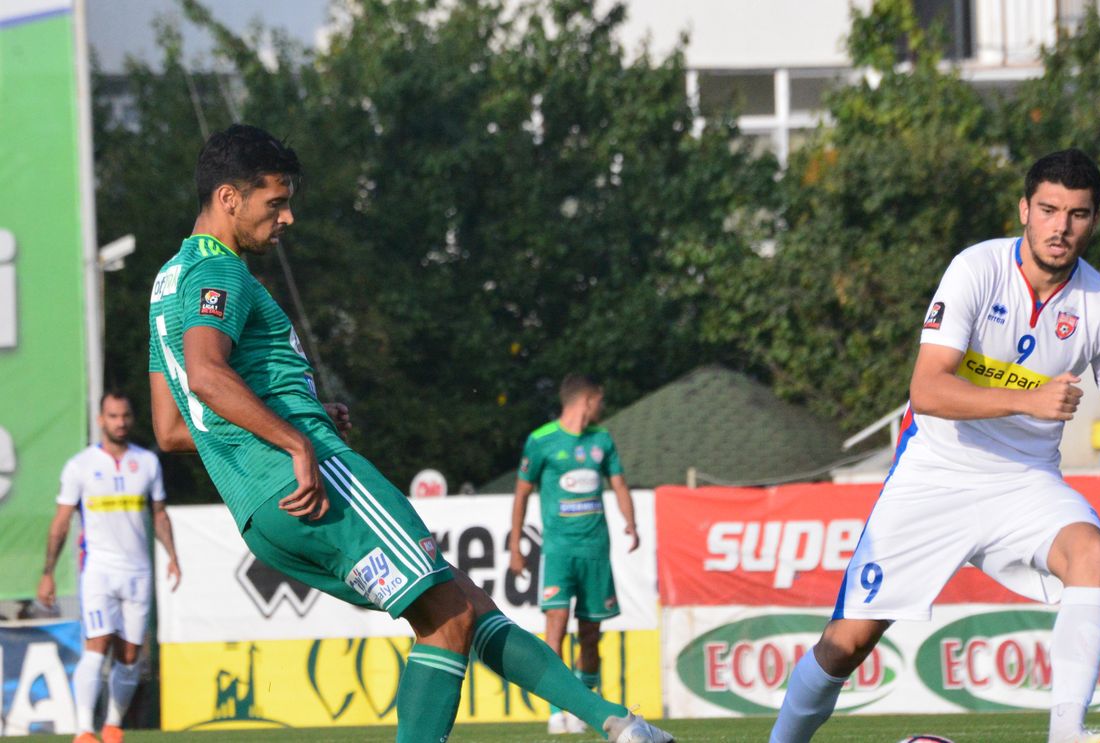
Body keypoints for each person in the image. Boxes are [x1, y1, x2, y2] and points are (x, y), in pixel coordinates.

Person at [146, 124, 670, 743]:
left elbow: (175, 428)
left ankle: (616, 723)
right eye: (275, 202)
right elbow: (207, 375)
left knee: (464, 603)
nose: (287, 219)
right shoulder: (222, 272)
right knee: (450, 617)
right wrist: (298, 440)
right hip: (312, 481)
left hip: (261, 513)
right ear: (229, 198)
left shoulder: (166, 283)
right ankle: (616, 725)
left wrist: (304, 414)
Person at [769, 149, 1100, 743]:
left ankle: (1067, 735)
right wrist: (1029, 399)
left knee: (1093, 553)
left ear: (1094, 221)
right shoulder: (977, 268)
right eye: (1048, 209)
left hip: (1024, 479)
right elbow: (928, 388)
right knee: (846, 645)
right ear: (1024, 209)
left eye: (1077, 214)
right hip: (936, 469)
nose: (1060, 226)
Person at [36, 392, 181, 743]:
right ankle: (84, 730)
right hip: (98, 571)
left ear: (131, 418)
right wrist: (48, 571)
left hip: (139, 573)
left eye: (125, 415)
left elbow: (159, 514)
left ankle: (112, 725)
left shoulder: (147, 462)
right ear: (101, 420)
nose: (120, 422)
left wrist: (174, 556)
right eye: (113, 416)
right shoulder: (80, 466)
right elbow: (60, 523)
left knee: (129, 656)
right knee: (96, 645)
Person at [510, 375, 640, 735]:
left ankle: (586, 708)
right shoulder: (541, 441)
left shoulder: (602, 440)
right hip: (558, 551)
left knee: (590, 633)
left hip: (595, 551)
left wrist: (631, 523)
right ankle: (556, 711)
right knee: (555, 627)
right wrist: (515, 546)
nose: (602, 406)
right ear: (587, 399)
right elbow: (521, 494)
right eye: (600, 400)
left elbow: (619, 484)